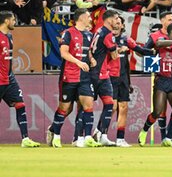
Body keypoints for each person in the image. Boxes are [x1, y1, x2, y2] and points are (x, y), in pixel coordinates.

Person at [46, 8, 101, 148]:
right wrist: (78, 62)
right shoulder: (68, 33)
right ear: (81, 18)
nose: (90, 19)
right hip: (69, 76)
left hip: (84, 77)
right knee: (65, 108)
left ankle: (88, 137)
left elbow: (86, 51)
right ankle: (55, 135)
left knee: (88, 105)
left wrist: (91, 59)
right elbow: (63, 53)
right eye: (88, 16)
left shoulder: (89, 35)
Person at [138, 22, 172, 147]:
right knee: (157, 112)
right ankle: (144, 131)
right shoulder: (163, 40)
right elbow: (158, 44)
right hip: (161, 81)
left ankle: (168, 138)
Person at [109, 16, 154, 147]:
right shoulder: (106, 39)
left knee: (123, 108)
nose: (116, 25)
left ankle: (120, 138)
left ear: (122, 26)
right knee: (111, 107)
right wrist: (118, 50)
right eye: (114, 23)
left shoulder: (126, 40)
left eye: (119, 23)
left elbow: (140, 50)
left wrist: (154, 51)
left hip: (123, 78)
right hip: (110, 77)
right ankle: (101, 133)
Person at [0, 11, 40, 147]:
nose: (14, 22)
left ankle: (25, 139)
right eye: (12, 20)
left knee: (20, 105)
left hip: (9, 78)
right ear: (6, 21)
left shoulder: (9, 37)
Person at [141, 11, 172, 142]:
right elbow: (145, 51)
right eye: (169, 19)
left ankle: (166, 138)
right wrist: (153, 66)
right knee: (160, 110)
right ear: (163, 21)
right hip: (161, 76)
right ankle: (157, 135)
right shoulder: (155, 36)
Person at [90, 10, 120, 146]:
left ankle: (101, 134)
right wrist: (119, 50)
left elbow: (91, 50)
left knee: (109, 104)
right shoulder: (108, 34)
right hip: (100, 74)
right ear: (109, 20)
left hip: (95, 72)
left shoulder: (98, 30)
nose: (117, 22)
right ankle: (92, 135)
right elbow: (114, 56)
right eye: (115, 19)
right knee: (89, 106)